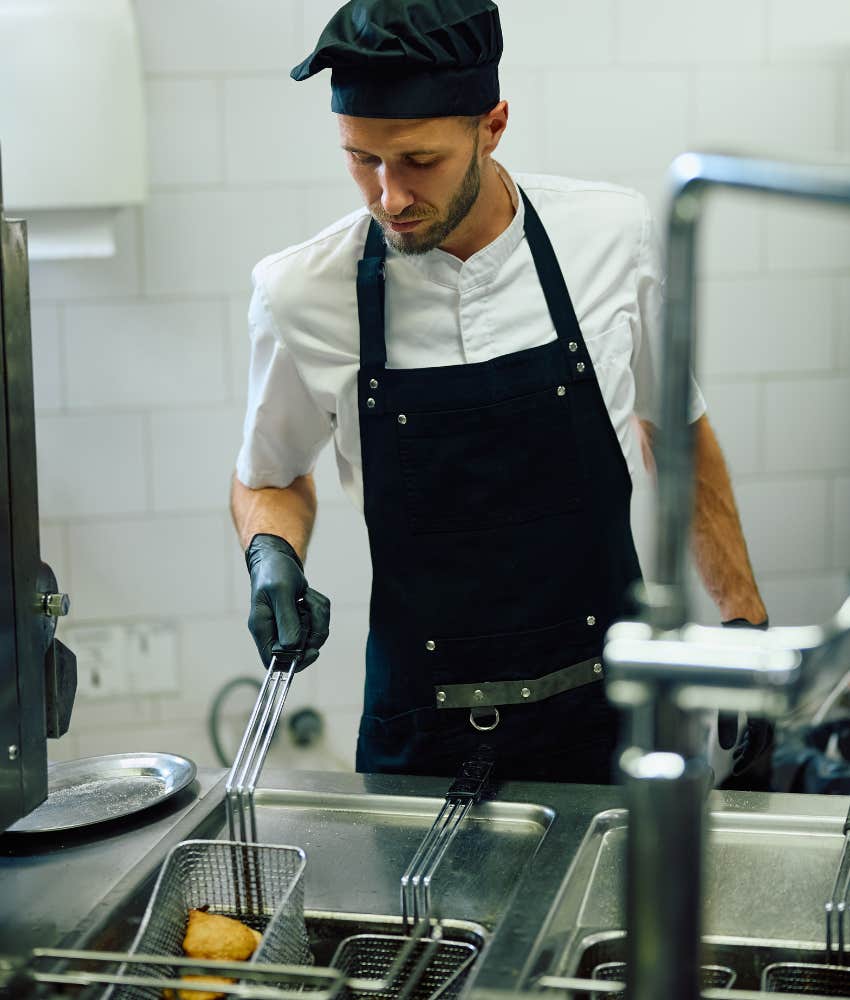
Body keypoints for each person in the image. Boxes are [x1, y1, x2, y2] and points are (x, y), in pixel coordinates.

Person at [230, 0, 768, 784]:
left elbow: (674, 432)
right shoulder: (298, 293)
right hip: (422, 743)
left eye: (418, 160)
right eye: (362, 160)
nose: (389, 196)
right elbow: (268, 476)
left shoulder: (611, 236)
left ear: (493, 124)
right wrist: (270, 555)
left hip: (614, 720)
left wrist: (744, 623)